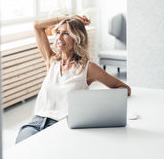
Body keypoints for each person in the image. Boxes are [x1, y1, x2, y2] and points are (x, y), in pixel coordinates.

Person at [16, 15, 131, 143]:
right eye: (58, 32)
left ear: (77, 38)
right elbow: (37, 26)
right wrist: (67, 18)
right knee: (20, 148)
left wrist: (97, 105)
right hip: (35, 123)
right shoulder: (51, 61)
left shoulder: (88, 68)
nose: (59, 38)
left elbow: (123, 89)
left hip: (62, 125)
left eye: (66, 33)